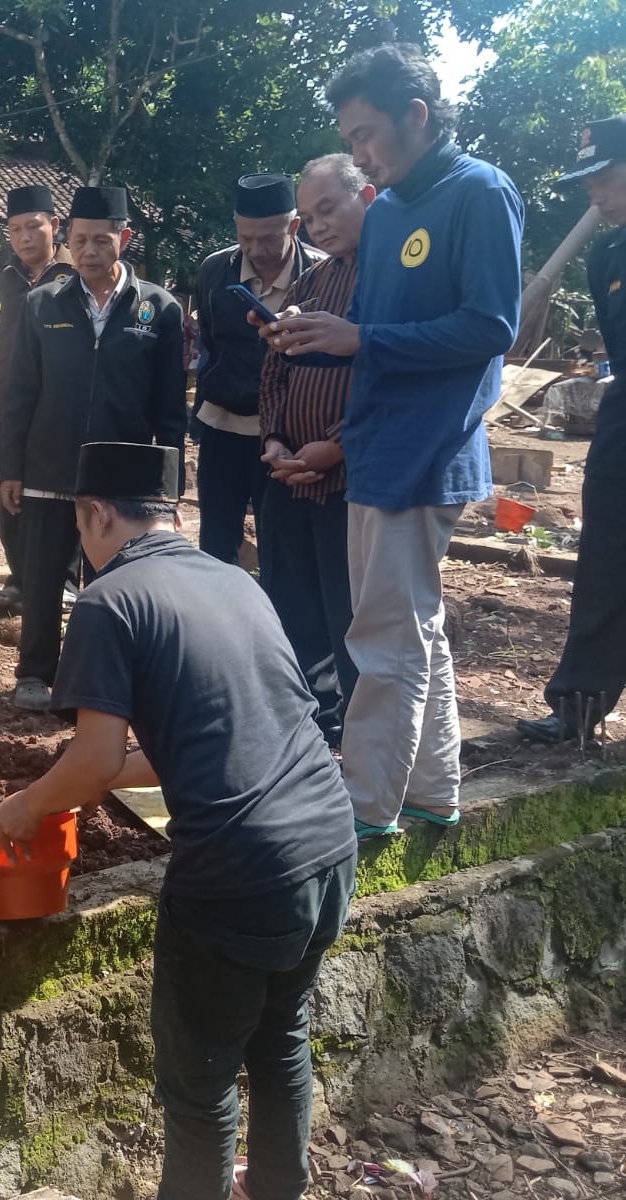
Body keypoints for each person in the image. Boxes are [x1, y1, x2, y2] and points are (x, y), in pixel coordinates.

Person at [0, 441, 357, 1200]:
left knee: (199, 1090)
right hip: (328, 840)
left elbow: (92, 762)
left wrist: (27, 804)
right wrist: (90, 781)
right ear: (174, 513)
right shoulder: (234, 581)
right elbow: (214, 735)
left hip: (239, 873)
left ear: (94, 513)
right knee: (282, 1038)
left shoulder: (108, 600)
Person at [266, 44, 523, 838]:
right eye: (350, 139)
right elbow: (370, 331)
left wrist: (359, 341)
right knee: (414, 630)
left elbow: (490, 326)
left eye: (366, 134)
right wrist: (322, 338)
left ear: (417, 115)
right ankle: (432, 790)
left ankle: (364, 809)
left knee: (383, 638)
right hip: (377, 448)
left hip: (425, 450)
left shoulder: (477, 192)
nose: (359, 152)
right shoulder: (388, 211)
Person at [0, 185, 187, 710]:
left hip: (121, 477)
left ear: (124, 239)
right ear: (68, 240)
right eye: (79, 241)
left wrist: (169, 488)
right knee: (40, 579)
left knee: (111, 585)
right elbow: (18, 394)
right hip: (48, 469)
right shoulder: (42, 304)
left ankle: (98, 682)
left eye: (101, 240)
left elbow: (171, 408)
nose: (88, 252)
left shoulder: (159, 309)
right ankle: (34, 673)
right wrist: (9, 467)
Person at [257, 156, 376, 748]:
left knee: (350, 617)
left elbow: (395, 383)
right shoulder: (309, 285)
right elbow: (275, 371)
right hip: (291, 476)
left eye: (329, 208)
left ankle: (363, 739)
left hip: (351, 480)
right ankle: (311, 726)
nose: (319, 226)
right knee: (293, 611)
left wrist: (336, 446)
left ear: (368, 197)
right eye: (307, 217)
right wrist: (276, 439)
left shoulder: (392, 283)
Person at [516, 115, 626, 745]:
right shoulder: (608, 253)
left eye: (606, 180)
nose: (596, 196)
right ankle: (578, 707)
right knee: (606, 560)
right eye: (590, 184)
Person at [193, 174, 325, 564]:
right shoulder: (216, 270)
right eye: (245, 238)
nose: (256, 249)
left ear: (294, 226)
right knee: (216, 541)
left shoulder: (323, 273)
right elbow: (209, 343)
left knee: (284, 541)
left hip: (291, 434)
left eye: (268, 238)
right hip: (223, 424)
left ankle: (277, 622)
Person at [0, 184, 78, 609]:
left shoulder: (74, 276)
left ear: (55, 226)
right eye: (15, 230)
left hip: (63, 409)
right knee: (11, 491)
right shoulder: (0, 282)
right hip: (10, 404)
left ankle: (64, 578)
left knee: (61, 493)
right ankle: (20, 578)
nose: (25, 237)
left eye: (34, 226)